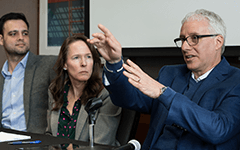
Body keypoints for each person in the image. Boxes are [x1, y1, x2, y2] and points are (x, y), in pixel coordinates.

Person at [88, 9, 240, 149]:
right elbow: (127, 98)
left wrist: (164, 93)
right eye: (182, 39)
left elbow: (218, 129)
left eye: (194, 38)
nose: (185, 47)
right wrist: (114, 64)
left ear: (218, 42)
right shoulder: (169, 74)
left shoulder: (235, 80)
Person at [46, 35, 121, 148]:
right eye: (76, 57)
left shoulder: (106, 94)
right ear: (65, 64)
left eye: (88, 57)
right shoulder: (55, 90)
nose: (84, 63)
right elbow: (48, 135)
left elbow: (100, 145)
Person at [0, 12, 57, 133]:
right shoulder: (2, 75)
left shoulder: (47, 65)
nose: (21, 37)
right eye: (13, 34)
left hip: (35, 144)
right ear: (1, 39)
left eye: (25, 33)